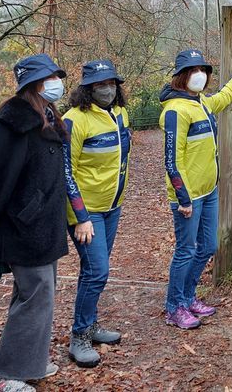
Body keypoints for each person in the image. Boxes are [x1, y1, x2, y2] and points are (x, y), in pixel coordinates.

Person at [0, 54, 69, 392]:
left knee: (37, 294)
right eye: (49, 77)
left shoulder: (45, 115)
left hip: (42, 225)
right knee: (36, 295)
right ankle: (1, 376)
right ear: (32, 83)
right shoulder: (15, 123)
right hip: (24, 228)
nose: (56, 82)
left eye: (56, 75)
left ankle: (28, 360)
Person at [159, 50, 232, 329]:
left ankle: (188, 297)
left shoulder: (201, 103)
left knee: (208, 246)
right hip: (188, 197)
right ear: (181, 76)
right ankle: (174, 306)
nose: (199, 74)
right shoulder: (175, 110)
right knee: (186, 250)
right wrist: (183, 197)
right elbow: (172, 160)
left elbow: (223, 97)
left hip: (208, 191)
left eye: (203, 69)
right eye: (193, 70)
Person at [62, 59, 130, 368]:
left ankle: (89, 324)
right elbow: (66, 172)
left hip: (112, 208)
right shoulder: (74, 120)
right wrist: (80, 216)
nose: (108, 89)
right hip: (87, 213)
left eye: (112, 83)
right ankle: (79, 337)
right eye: (101, 85)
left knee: (92, 272)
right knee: (98, 271)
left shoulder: (120, 114)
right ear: (88, 88)